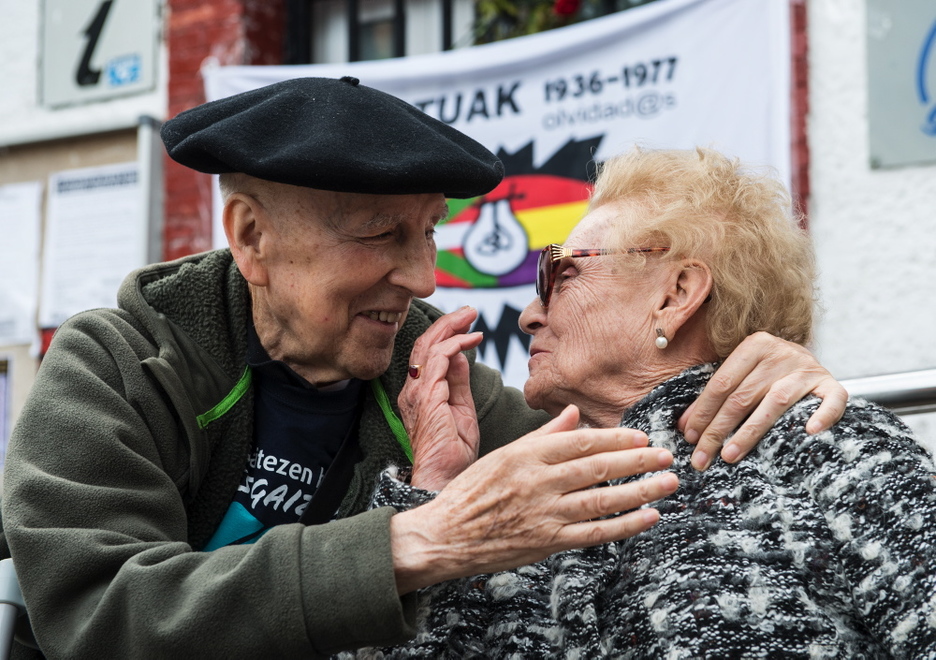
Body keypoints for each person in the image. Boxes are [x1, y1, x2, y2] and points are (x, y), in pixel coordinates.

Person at [2, 78, 845, 659]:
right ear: (252, 237)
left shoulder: (439, 370)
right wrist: (416, 538)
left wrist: (766, 363)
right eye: (379, 235)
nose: (420, 277)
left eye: (428, 231)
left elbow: (637, 450)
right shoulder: (116, 366)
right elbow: (97, 617)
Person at [352, 146, 936, 658]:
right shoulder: (520, 496)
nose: (531, 314)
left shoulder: (824, 447)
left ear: (676, 295)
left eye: (559, 274)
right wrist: (434, 490)